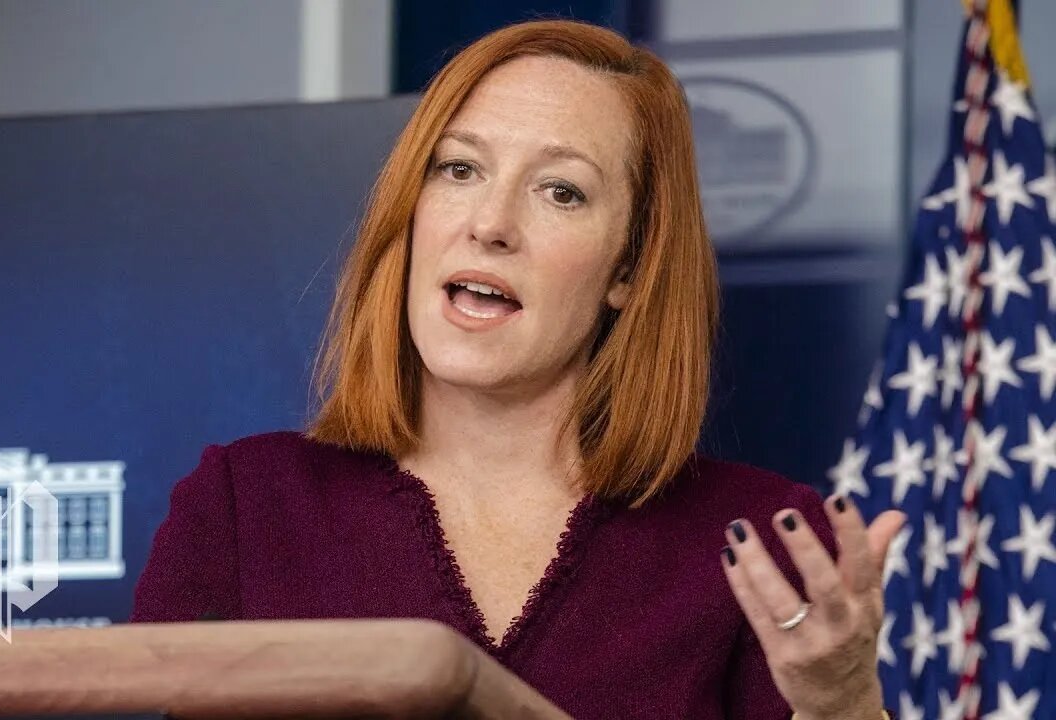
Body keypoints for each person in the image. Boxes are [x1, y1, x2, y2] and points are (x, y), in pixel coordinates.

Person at [130, 19, 905, 720]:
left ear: (628, 269)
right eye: (459, 170)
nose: (490, 224)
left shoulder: (762, 544)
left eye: (560, 191)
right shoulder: (244, 508)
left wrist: (841, 706)